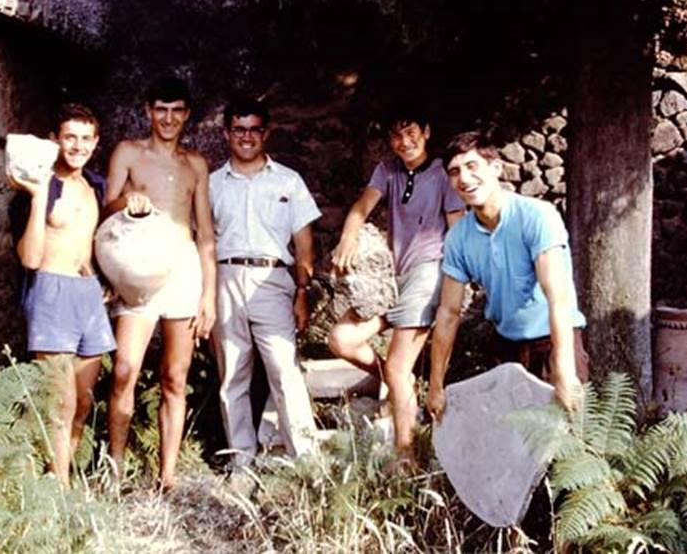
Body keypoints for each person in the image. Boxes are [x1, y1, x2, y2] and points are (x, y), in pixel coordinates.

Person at [328, 106, 465, 459]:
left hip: (428, 273)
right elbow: (362, 206)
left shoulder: (441, 174)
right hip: (392, 278)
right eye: (396, 136)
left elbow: (458, 227)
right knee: (341, 339)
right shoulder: (387, 170)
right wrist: (348, 237)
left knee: (398, 366)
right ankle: (397, 382)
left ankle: (407, 459)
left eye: (411, 133)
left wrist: (459, 282)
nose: (404, 142)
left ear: (427, 131)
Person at [426, 130, 589, 423]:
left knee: (568, 446)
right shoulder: (458, 239)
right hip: (507, 347)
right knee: (515, 447)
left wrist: (564, 369)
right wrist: (436, 385)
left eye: (472, 166)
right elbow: (449, 312)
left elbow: (558, 297)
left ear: (496, 168)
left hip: (554, 341)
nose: (464, 178)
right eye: (454, 172)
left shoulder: (537, 216)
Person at [103, 77, 216, 490]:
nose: (168, 119)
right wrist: (126, 203)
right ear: (148, 111)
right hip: (139, 265)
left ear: (186, 115)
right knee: (125, 369)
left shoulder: (196, 164)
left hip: (184, 267)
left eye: (176, 111)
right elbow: (106, 208)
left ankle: (167, 474)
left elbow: (205, 234)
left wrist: (209, 296)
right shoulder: (129, 152)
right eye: (160, 110)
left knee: (175, 374)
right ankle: (113, 470)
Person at [10, 103, 115, 488]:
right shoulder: (38, 186)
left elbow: (96, 242)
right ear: (54, 139)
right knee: (61, 402)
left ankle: (59, 474)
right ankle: (62, 488)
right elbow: (31, 257)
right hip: (51, 291)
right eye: (70, 137)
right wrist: (37, 198)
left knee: (84, 402)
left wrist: (102, 276)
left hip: (87, 295)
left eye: (86, 139)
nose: (77, 146)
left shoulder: (95, 186)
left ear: (96, 142)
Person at [209, 98, 319, 467]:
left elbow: (304, 244)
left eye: (255, 129)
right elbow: (202, 242)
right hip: (225, 279)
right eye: (239, 129)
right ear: (226, 134)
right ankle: (242, 460)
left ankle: (306, 462)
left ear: (266, 133)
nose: (247, 137)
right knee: (232, 375)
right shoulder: (211, 184)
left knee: (284, 371)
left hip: (272, 280)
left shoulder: (289, 180)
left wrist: (302, 292)